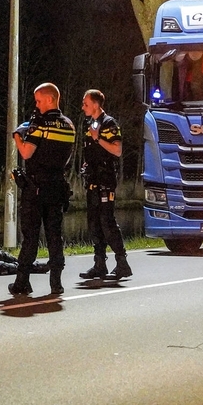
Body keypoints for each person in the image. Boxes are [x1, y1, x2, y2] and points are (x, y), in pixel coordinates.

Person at [9, 83, 76, 296]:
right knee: (55, 236)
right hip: (57, 187)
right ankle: (56, 283)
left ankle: (22, 282)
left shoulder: (40, 125)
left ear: (50, 99)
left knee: (30, 236)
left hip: (35, 188)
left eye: (38, 100)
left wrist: (18, 136)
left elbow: (27, 153)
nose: (36, 105)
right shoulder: (69, 126)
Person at [77, 89, 132, 281]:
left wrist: (97, 138)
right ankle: (99, 264)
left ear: (96, 104)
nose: (83, 106)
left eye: (85, 103)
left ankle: (122, 262)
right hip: (92, 180)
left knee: (107, 222)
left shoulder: (109, 123)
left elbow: (117, 150)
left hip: (106, 180)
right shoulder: (88, 124)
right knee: (94, 223)